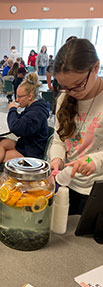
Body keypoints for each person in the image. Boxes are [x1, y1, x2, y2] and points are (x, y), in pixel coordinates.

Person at [49, 38, 103, 215]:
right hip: (68, 187)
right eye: (65, 87)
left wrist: (93, 160)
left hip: (97, 192)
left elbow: (94, 158)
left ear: (95, 67)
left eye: (78, 85)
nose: (72, 92)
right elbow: (59, 141)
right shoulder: (65, 99)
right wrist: (57, 159)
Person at [0, 72, 49, 193]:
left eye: (19, 96)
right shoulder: (34, 107)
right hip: (27, 144)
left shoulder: (36, 113)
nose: (17, 99)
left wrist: (12, 109)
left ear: (30, 96)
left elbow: (16, 128)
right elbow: (19, 123)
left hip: (32, 151)